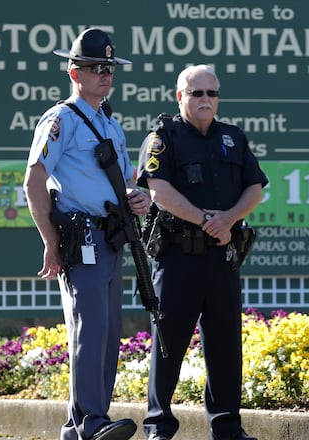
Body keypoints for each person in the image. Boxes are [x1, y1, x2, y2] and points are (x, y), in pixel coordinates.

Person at [23, 28, 150, 440]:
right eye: (96, 68)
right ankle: (89, 421)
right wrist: (49, 240)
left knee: (108, 333)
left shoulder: (110, 125)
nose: (105, 74)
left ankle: (84, 425)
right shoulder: (60, 119)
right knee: (89, 330)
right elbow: (34, 179)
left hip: (111, 235)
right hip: (82, 238)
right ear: (74, 72)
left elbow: (123, 182)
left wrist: (136, 197)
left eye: (109, 68)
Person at [137, 64, 268, 440]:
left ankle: (227, 426)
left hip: (222, 258)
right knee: (168, 345)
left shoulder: (232, 137)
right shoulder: (164, 137)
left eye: (212, 93)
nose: (206, 100)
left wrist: (227, 220)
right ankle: (158, 427)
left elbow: (255, 189)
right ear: (180, 97)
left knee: (226, 345)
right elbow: (158, 191)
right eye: (197, 94)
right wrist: (205, 219)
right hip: (178, 259)